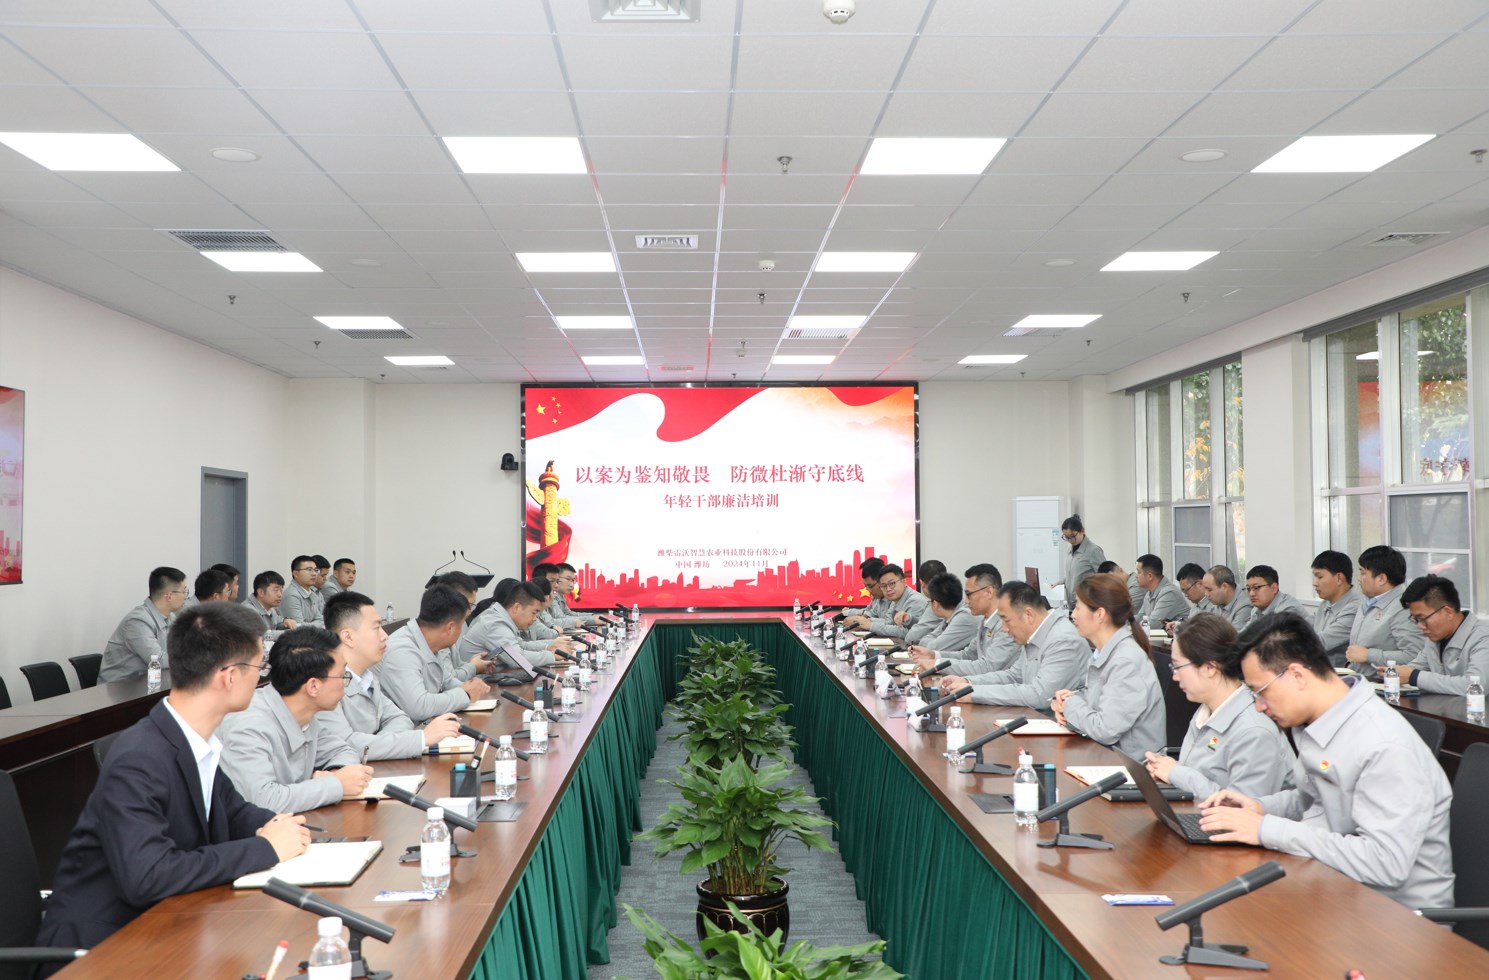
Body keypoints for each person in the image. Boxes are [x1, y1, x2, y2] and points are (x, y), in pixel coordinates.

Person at [35, 603, 309, 961]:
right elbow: (148, 875)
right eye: (260, 668)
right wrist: (266, 848)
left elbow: (234, 812)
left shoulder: (191, 740)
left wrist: (288, 829)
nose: (262, 680)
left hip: (168, 923)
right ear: (229, 677)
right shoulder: (139, 757)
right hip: (101, 949)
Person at [1197, 614, 1454, 910]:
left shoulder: (1384, 745)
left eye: (1260, 691)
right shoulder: (1315, 722)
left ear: (1296, 675)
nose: (1258, 706)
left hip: (1395, 916)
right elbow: (1315, 801)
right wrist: (1260, 808)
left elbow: (1386, 864)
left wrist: (1267, 829)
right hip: (1333, 888)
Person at [217, 627, 373, 813]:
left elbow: (342, 750)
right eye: (342, 676)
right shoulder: (247, 725)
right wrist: (335, 785)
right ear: (313, 686)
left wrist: (335, 772)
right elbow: (264, 801)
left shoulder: (302, 714)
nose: (345, 684)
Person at [1145, 613, 1295, 799]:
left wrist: (1177, 773)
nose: (1175, 676)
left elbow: (1243, 807)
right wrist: (1167, 769)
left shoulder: (1254, 730)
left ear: (1209, 668)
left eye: (1177, 667)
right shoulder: (1207, 709)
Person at [316, 591, 461, 760]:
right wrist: (421, 739)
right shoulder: (324, 682)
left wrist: (378, 744)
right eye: (376, 628)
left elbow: (401, 718)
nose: (385, 636)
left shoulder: (367, 676)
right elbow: (346, 746)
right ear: (348, 637)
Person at [1052, 573, 1165, 758]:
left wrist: (1070, 705)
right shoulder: (1104, 652)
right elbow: (1095, 702)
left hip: (1131, 767)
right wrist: (1066, 702)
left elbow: (1105, 729)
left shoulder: (1125, 661)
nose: (1073, 615)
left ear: (1099, 614)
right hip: (1105, 756)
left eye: (1078, 608)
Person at [939, 582, 1087, 708]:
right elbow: (1014, 676)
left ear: (1028, 615)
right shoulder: (1033, 635)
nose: (1004, 628)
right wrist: (968, 682)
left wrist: (974, 693)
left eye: (1006, 620)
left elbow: (1040, 695)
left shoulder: (1063, 640)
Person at [380, 585, 492, 724]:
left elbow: (445, 682)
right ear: (450, 628)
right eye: (462, 623)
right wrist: (465, 694)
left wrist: (471, 686)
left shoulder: (430, 641)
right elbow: (418, 707)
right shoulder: (401, 651)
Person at [912, 564, 1019, 672]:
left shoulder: (1006, 626)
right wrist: (934, 655)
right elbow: (968, 655)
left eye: (969, 594)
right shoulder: (985, 621)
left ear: (988, 592)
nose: (966, 601)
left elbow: (987, 667)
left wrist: (936, 664)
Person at [1397, 575, 1489, 695]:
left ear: (1448, 612)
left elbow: (1475, 686)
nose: (1420, 626)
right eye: (1416, 620)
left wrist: (1414, 677)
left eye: (1422, 619)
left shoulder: (1483, 637)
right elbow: (1414, 668)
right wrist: (1396, 673)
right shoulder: (1435, 637)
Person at [100, 566, 189, 683]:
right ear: (169, 596)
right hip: (120, 688)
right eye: (184, 592)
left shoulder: (170, 618)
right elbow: (158, 661)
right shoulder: (137, 621)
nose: (186, 597)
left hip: (151, 683)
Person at [1345, 545, 1426, 672]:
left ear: (1381, 579)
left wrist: (1369, 655)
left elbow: (1414, 655)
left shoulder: (1403, 608)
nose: (1359, 578)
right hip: (1358, 677)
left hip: (1384, 682)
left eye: (1363, 573)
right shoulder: (1368, 600)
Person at [457, 580, 567, 667]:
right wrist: (551, 656)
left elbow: (521, 645)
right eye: (534, 613)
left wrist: (549, 646)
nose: (535, 619)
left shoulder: (503, 618)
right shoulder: (495, 623)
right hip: (471, 681)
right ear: (517, 607)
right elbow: (516, 658)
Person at [1310, 550, 1363, 663]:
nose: (1315, 583)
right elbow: (1303, 626)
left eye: (1320, 577)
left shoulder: (1355, 608)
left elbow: (1321, 643)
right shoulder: (1325, 604)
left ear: (1339, 578)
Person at [905, 573, 977, 649]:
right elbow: (926, 640)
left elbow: (934, 647)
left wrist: (932, 642)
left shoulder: (964, 617)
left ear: (935, 604)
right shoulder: (948, 618)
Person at [861, 564, 929, 640]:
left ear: (904, 582)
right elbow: (889, 623)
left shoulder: (915, 601)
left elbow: (908, 633)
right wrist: (867, 622)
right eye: (884, 586)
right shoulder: (895, 599)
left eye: (892, 583)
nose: (888, 589)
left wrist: (871, 626)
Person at [1057, 514, 1106, 609]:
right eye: (1066, 537)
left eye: (1072, 536)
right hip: (1072, 604)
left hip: (1087, 604)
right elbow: (1072, 576)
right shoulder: (1070, 550)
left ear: (1082, 531)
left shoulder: (1093, 550)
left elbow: (1104, 578)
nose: (1069, 540)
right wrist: (1058, 584)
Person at [1134, 554, 1189, 629]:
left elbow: (1153, 624)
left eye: (1138, 572)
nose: (1136, 576)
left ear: (1150, 576)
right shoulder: (1149, 593)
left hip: (1184, 635)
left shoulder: (1169, 593)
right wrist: (1122, 621)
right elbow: (1140, 617)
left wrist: (1134, 626)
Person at [242, 570, 296, 640]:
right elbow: (259, 635)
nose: (280, 595)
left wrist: (286, 621)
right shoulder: (248, 610)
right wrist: (288, 634)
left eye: (281, 590)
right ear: (261, 592)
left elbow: (277, 623)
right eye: (276, 590)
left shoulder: (270, 608)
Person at [280, 555, 324, 628]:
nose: (314, 574)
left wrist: (317, 624)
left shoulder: (312, 593)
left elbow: (321, 620)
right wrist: (317, 624)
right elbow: (298, 627)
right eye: (309, 570)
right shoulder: (292, 595)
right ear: (296, 574)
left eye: (316, 570)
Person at [843, 558, 887, 627]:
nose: (868, 590)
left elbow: (891, 622)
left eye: (870, 586)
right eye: (865, 586)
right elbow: (870, 612)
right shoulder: (876, 596)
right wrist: (849, 612)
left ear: (881, 581)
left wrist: (860, 621)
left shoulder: (894, 596)